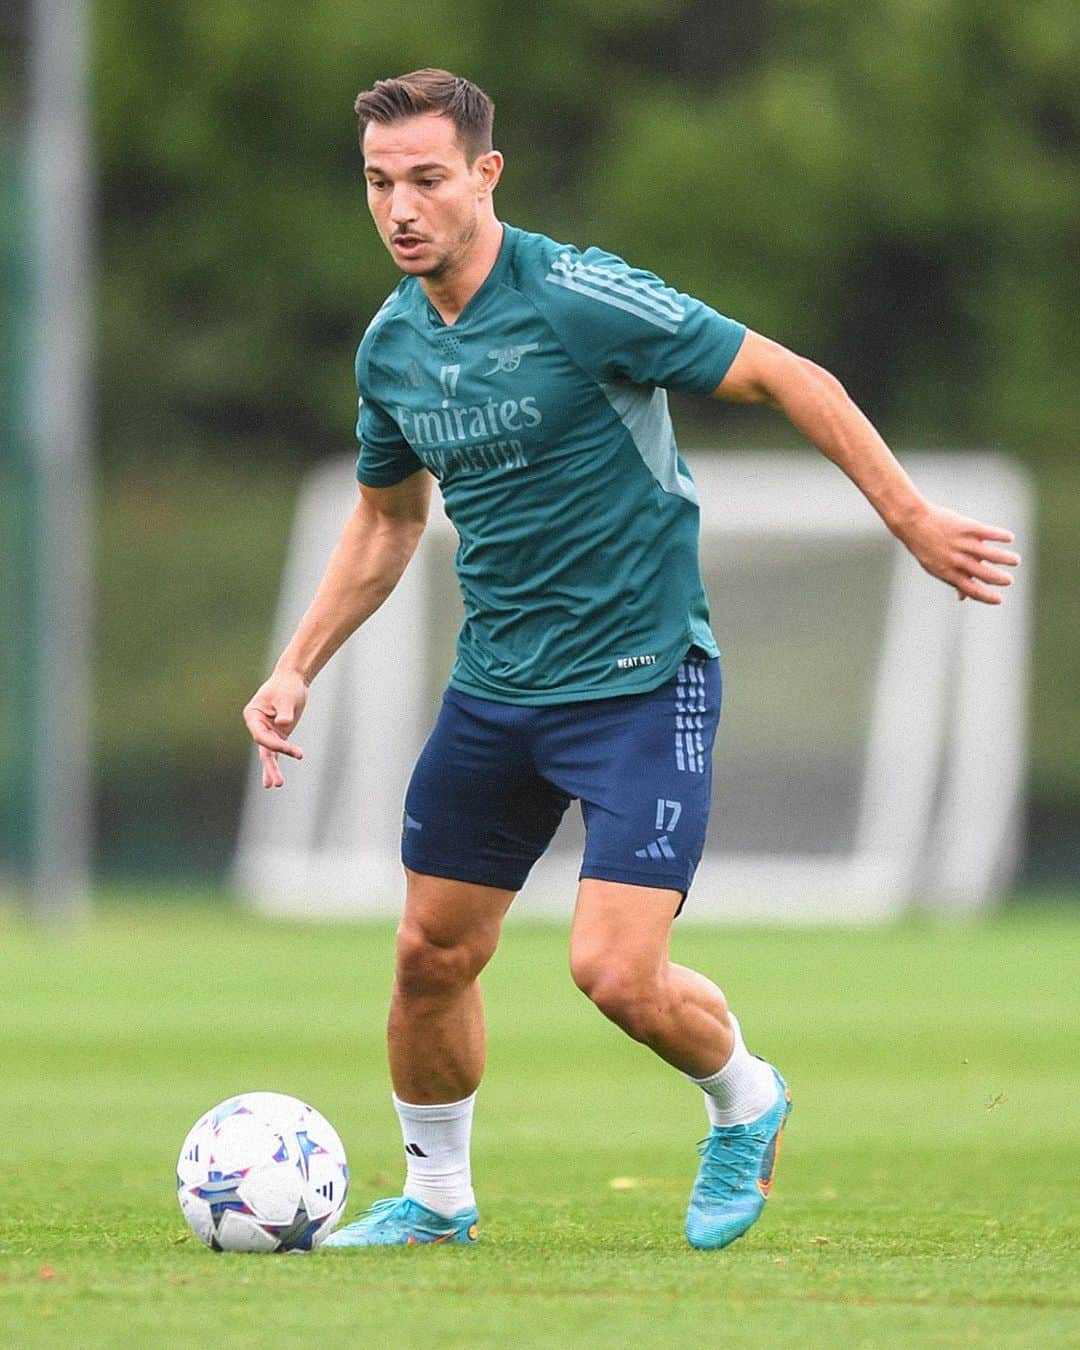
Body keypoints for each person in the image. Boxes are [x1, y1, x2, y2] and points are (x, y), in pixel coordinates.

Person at [242, 69, 1020, 1251]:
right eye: (379, 183)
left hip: (644, 683)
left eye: (427, 180)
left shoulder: (574, 294)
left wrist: (908, 516)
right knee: (428, 955)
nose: (400, 208)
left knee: (611, 970)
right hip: (497, 689)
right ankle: (438, 1201)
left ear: (486, 175)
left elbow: (782, 373)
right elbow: (389, 522)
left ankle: (747, 1100)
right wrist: (299, 663)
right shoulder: (392, 350)